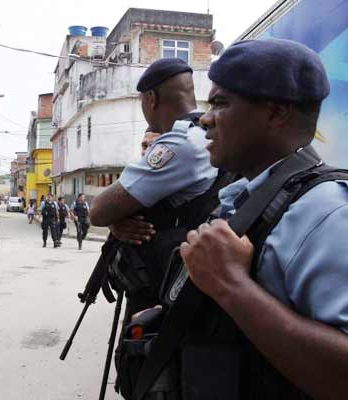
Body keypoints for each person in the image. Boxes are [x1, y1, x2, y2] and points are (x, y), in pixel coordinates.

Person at [138, 39, 348, 399]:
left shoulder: (330, 211)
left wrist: (232, 286)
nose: (205, 119)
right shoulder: (244, 193)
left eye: (221, 103)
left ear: (276, 114)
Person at [89, 58, 227, 399]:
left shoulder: (178, 145)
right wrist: (123, 219)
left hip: (163, 286)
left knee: (149, 376)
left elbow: (100, 210)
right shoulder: (204, 134)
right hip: (184, 282)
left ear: (151, 98)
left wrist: (117, 216)